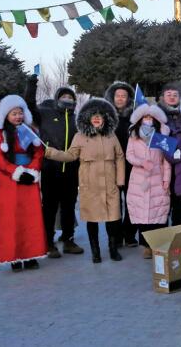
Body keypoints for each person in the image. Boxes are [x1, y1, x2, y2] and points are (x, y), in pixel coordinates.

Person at [44, 98, 126, 263]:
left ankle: (113, 248)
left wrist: (120, 180)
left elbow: (120, 157)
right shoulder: (80, 137)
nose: (96, 118)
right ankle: (95, 252)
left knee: (113, 218)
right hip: (90, 185)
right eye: (93, 115)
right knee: (92, 219)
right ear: (87, 118)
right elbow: (70, 155)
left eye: (99, 116)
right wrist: (50, 152)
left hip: (110, 184)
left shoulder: (111, 136)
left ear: (105, 118)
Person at [24, 76, 84, 258]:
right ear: (58, 98)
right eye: (64, 97)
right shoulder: (44, 113)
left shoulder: (77, 119)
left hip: (72, 171)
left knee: (68, 206)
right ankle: (48, 242)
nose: (67, 100)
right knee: (49, 207)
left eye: (70, 97)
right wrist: (31, 86)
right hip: (51, 169)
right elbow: (29, 107)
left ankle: (68, 240)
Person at [0, 95, 47, 271]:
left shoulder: (30, 131)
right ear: (6, 115)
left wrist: (32, 170)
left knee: (31, 218)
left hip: (29, 179)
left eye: (20, 113)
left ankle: (31, 255)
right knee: (10, 218)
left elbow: (38, 151)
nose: (18, 116)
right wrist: (15, 171)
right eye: (14, 113)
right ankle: (14, 256)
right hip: (9, 181)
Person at [124, 104, 173, 258]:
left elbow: (167, 159)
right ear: (140, 119)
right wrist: (141, 162)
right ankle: (145, 245)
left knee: (158, 211)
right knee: (142, 214)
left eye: (151, 117)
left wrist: (167, 179)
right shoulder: (133, 134)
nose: (148, 120)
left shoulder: (163, 134)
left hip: (157, 177)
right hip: (139, 178)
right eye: (145, 117)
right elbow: (129, 155)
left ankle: (158, 245)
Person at [104, 81, 138, 247]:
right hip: (111, 166)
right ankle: (115, 236)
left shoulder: (135, 117)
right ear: (112, 97)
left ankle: (129, 233)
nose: (120, 98)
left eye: (123, 96)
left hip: (132, 165)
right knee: (114, 202)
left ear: (128, 98)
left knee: (132, 202)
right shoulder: (105, 117)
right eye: (117, 95)